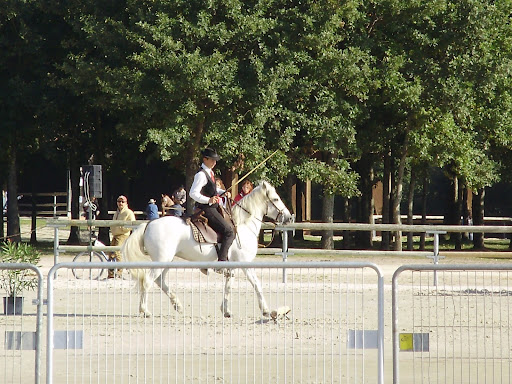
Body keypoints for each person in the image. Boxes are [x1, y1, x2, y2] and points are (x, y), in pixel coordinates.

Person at [189, 148, 234, 262]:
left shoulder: (210, 172)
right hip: (207, 209)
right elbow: (193, 193)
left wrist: (222, 192)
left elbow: (212, 190)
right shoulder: (201, 175)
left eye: (215, 160)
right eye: (212, 160)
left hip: (213, 206)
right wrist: (209, 200)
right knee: (229, 231)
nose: (215, 163)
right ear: (205, 159)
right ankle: (222, 261)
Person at [109, 195, 135, 278]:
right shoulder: (116, 212)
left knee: (117, 252)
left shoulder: (129, 212)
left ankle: (119, 271)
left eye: (122, 202)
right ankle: (111, 273)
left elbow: (132, 224)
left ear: (126, 203)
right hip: (115, 234)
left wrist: (122, 228)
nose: (120, 203)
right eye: (119, 201)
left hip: (123, 235)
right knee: (110, 253)